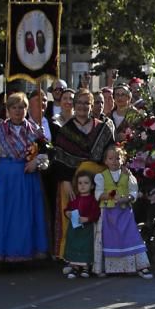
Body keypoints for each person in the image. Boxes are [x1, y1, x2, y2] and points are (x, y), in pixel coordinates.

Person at [0, 92, 50, 268]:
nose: (18, 111)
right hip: (4, 178)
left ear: (27, 109)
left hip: (26, 179)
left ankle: (23, 253)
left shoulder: (35, 130)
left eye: (22, 107)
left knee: (24, 216)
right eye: (14, 107)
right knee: (1, 215)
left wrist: (36, 162)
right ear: (8, 110)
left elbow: (46, 156)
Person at [50, 89, 115, 260]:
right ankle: (72, 255)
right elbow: (59, 159)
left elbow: (111, 154)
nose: (82, 106)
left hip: (99, 182)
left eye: (87, 103)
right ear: (74, 104)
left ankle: (99, 255)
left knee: (98, 218)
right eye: (79, 102)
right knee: (74, 219)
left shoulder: (103, 129)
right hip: (73, 182)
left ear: (92, 106)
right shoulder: (65, 131)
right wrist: (64, 181)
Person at [94, 145, 153, 278]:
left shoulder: (128, 175)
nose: (114, 161)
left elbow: (133, 191)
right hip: (108, 213)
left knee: (131, 235)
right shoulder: (101, 176)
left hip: (125, 211)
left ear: (123, 159)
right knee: (110, 238)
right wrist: (111, 196)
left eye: (117, 158)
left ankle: (141, 266)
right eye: (110, 158)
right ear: (105, 161)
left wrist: (127, 198)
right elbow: (98, 194)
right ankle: (110, 268)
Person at [62, 170, 100, 277]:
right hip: (74, 229)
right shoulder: (74, 199)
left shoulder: (93, 200)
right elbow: (67, 209)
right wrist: (67, 213)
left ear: (92, 186)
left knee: (86, 247)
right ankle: (74, 267)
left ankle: (86, 268)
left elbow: (96, 213)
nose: (82, 186)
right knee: (74, 246)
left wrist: (87, 219)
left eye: (86, 183)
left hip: (86, 230)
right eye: (80, 183)